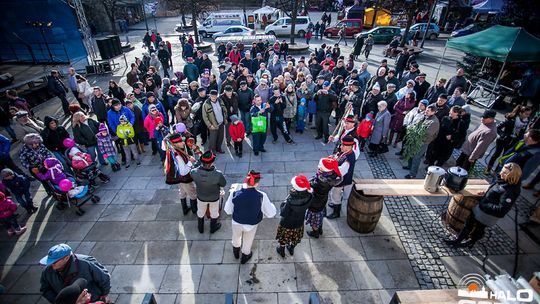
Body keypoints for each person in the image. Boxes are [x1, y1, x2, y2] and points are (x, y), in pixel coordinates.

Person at [445, 163, 522, 248]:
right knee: (468, 224)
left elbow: (502, 210)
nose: (500, 173)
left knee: (479, 229)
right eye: (502, 171)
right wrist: (487, 193)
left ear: (512, 175)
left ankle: (470, 242)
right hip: (481, 208)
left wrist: (485, 204)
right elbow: (496, 191)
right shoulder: (503, 180)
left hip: (488, 214)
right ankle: (457, 241)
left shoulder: (509, 191)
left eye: (504, 173)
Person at [224, 170, 277, 264]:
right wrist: (271, 205)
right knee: (248, 240)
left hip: (236, 222)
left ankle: (236, 251)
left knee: (236, 237)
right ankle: (245, 256)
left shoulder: (234, 193)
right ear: (256, 183)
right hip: (252, 224)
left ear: (246, 180)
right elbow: (271, 213)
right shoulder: (261, 196)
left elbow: (227, 210)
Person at [39, 243, 111, 303]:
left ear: (66, 258)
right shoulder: (47, 271)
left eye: (54, 262)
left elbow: (104, 278)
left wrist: (104, 294)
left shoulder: (86, 263)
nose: (50, 264)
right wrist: (59, 301)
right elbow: (45, 289)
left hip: (92, 300)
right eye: (49, 261)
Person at [485, 105, 531, 174]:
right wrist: (503, 135)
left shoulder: (526, 121)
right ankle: (488, 168)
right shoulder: (511, 119)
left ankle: (498, 171)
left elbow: (522, 133)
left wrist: (520, 140)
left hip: (512, 142)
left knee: (505, 156)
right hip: (503, 140)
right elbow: (498, 127)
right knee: (496, 154)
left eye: (529, 114)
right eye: (526, 114)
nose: (527, 116)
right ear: (520, 113)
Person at [276, 175, 313, 257]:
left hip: (287, 223)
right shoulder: (309, 196)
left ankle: (281, 250)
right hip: (299, 222)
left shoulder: (290, 201)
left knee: (284, 237)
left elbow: (283, 212)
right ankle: (291, 248)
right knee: (295, 237)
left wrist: (283, 203)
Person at [190, 151, 226, 234]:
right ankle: (213, 228)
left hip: (201, 197)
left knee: (201, 211)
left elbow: (192, 170)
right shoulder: (218, 174)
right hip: (214, 198)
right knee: (214, 212)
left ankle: (200, 228)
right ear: (212, 162)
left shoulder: (194, 172)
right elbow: (223, 183)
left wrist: (196, 163)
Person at [306, 157, 342, 237]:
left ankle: (315, 233)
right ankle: (320, 229)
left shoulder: (320, 182)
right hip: (323, 200)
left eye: (320, 166)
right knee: (320, 215)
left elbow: (311, 186)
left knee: (314, 219)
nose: (319, 167)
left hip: (315, 202)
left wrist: (309, 184)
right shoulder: (332, 176)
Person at [163, 133, 197, 215]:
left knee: (182, 192)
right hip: (185, 179)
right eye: (180, 141)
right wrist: (190, 162)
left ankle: (185, 209)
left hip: (178, 179)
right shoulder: (177, 155)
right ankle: (194, 209)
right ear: (174, 144)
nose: (183, 143)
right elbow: (183, 171)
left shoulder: (174, 150)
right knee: (193, 194)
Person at [404, 104, 440, 179]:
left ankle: (412, 174)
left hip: (422, 142)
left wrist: (415, 132)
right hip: (415, 139)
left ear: (433, 112)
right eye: (426, 109)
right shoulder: (424, 116)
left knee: (416, 157)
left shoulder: (434, 122)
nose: (426, 111)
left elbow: (427, 134)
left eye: (428, 111)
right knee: (410, 153)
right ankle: (409, 166)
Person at [327, 136, 357, 219]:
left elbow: (341, 171)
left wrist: (330, 168)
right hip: (343, 179)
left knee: (335, 194)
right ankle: (335, 204)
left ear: (348, 147)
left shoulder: (349, 157)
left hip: (341, 180)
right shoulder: (345, 152)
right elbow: (338, 157)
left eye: (343, 145)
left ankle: (336, 213)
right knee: (335, 195)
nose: (341, 147)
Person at [202, 90, 227, 154]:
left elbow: (224, 109)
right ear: (209, 96)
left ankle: (219, 148)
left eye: (215, 96)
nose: (214, 97)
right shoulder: (206, 104)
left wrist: (225, 118)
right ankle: (212, 151)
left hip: (221, 123)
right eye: (212, 96)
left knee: (221, 137)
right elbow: (205, 116)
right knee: (213, 139)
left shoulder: (220, 100)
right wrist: (210, 125)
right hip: (213, 125)